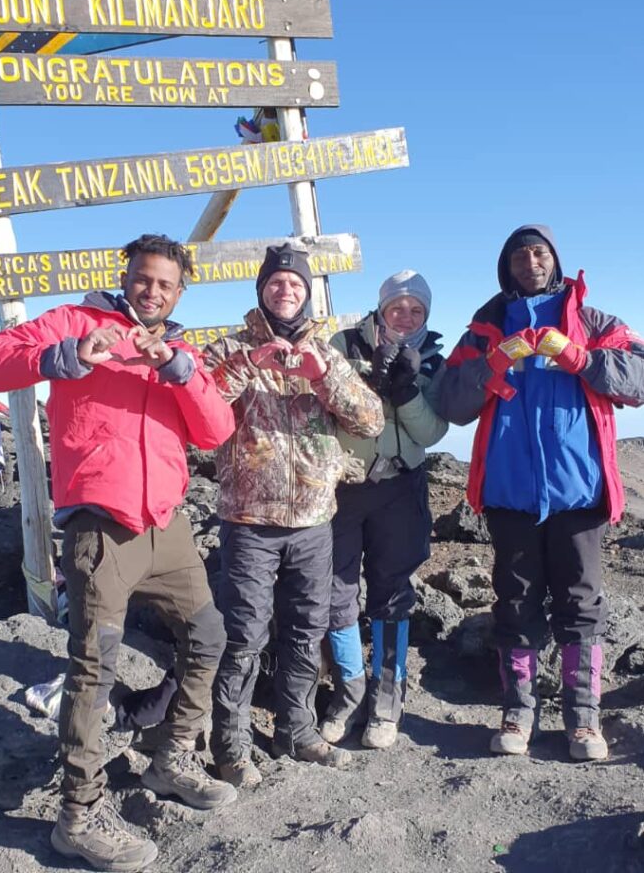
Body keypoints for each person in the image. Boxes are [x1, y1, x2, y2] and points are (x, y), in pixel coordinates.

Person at [0, 233, 237, 873]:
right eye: (143, 279)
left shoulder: (180, 350)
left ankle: (170, 760)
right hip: (100, 525)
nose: (153, 290)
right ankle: (78, 816)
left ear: (180, 292)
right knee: (95, 667)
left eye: (166, 284)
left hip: (166, 525)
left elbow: (216, 429)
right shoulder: (79, 320)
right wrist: (66, 356)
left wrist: (176, 369)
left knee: (208, 635)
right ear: (128, 277)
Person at [436, 224, 644, 761]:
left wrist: (582, 359)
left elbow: (640, 374)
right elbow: (450, 402)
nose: (530, 260)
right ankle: (518, 713)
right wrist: (493, 362)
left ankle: (583, 721)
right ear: (505, 267)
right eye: (519, 254)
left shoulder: (593, 322)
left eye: (539, 251)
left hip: (579, 494)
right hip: (511, 494)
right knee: (515, 603)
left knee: (581, 606)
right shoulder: (485, 329)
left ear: (554, 260)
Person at [202, 243, 385, 788]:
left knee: (306, 630)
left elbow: (370, 419)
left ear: (307, 292)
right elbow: (201, 408)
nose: (286, 290)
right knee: (244, 635)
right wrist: (248, 365)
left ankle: (296, 730)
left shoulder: (327, 352)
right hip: (249, 521)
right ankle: (231, 743)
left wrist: (323, 374)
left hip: (312, 521)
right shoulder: (228, 348)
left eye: (296, 283)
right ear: (261, 289)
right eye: (276, 282)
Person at [320, 270, 447, 750]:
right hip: (346, 487)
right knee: (337, 591)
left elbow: (432, 434)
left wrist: (408, 392)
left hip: (401, 486)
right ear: (381, 307)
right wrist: (369, 385)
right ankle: (348, 693)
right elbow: (328, 406)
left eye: (417, 309)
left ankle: (386, 700)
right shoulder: (345, 343)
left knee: (392, 593)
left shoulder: (434, 356)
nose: (407, 316)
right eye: (399, 306)